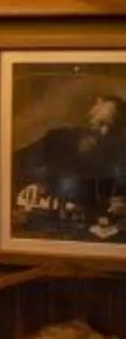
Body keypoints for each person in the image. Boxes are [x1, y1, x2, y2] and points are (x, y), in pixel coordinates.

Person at [14, 92, 126, 236]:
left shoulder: (118, 155)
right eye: (101, 123)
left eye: (111, 127)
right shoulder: (56, 139)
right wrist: (32, 184)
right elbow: (14, 168)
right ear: (93, 108)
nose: (104, 132)